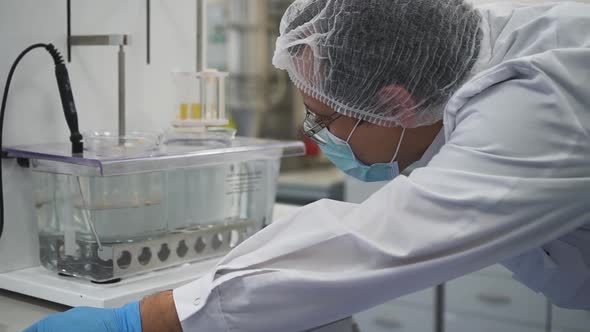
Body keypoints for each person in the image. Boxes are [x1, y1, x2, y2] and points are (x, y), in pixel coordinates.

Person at [25, 0, 590, 331]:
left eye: (320, 118)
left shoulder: (535, 100)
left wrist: (138, 322)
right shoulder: (457, 47)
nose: (310, 133)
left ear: (394, 105)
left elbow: (367, 248)